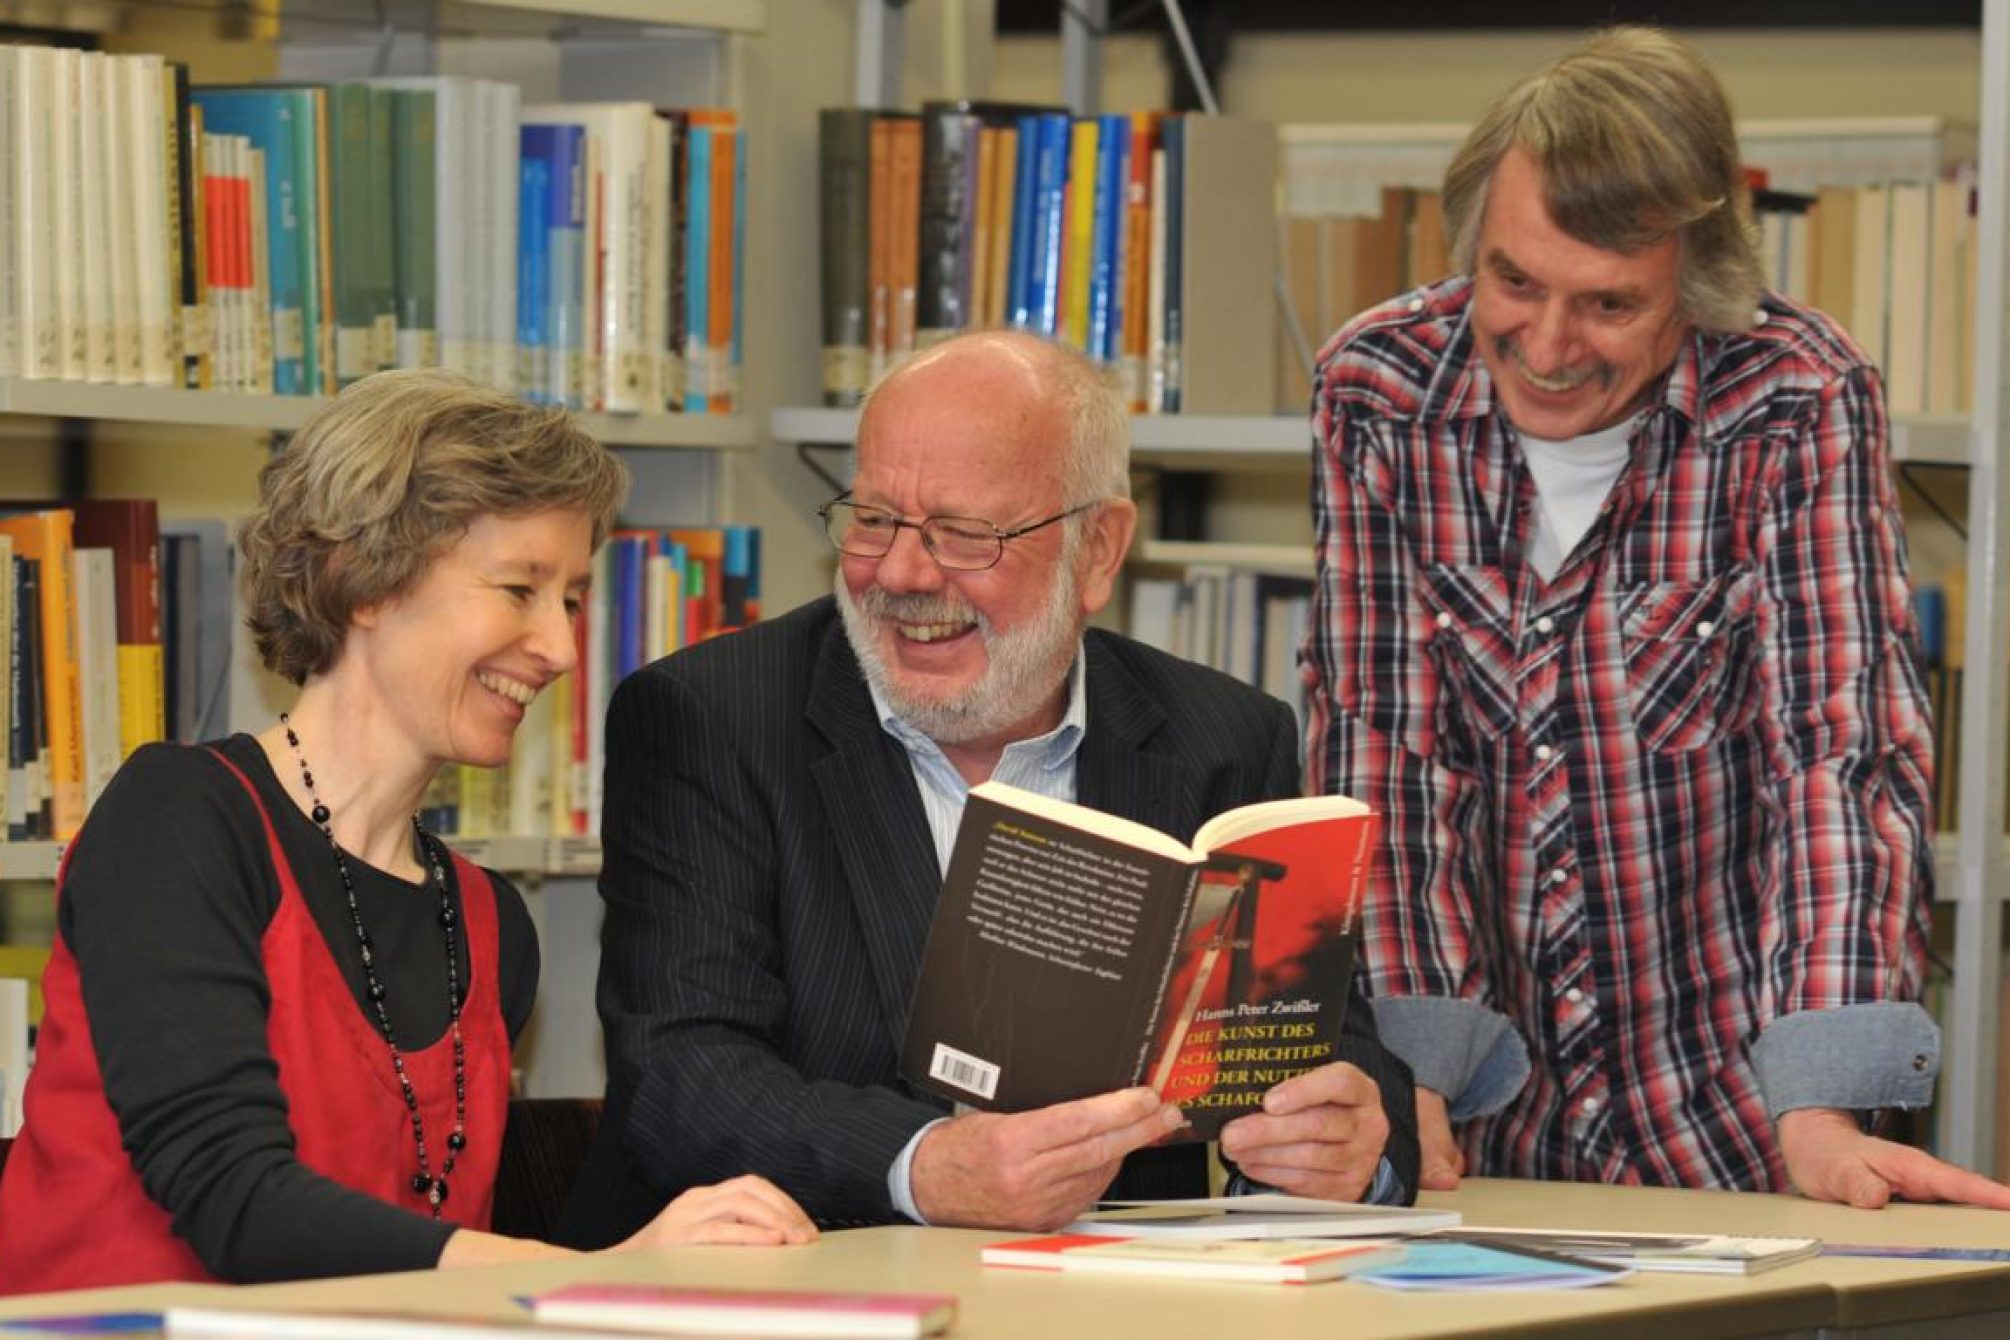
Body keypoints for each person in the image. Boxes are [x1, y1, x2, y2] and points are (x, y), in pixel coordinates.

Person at [1304, 25, 2010, 1211]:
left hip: (1748, 1120)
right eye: (1513, 281)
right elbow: (1386, 750)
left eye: (1609, 304)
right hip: (1485, 1122)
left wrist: (1825, 1094)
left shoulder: (1796, 397)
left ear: (1698, 278)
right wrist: (1408, 1063)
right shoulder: (1378, 392)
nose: (1547, 344)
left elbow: (1837, 754)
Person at [559, 330, 1419, 1245]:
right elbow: (680, 1075)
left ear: (1098, 550)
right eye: (875, 518)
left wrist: (1354, 1145)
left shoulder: (1222, 739)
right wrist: (924, 1165)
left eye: (965, 534)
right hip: (811, 1291)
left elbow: (1328, 1040)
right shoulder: (711, 718)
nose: (900, 573)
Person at [0, 370, 814, 1294]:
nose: (561, 649)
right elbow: (234, 1201)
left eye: (574, 600)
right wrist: (588, 1275)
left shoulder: (490, 924)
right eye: (519, 589)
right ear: (363, 583)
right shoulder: (177, 819)